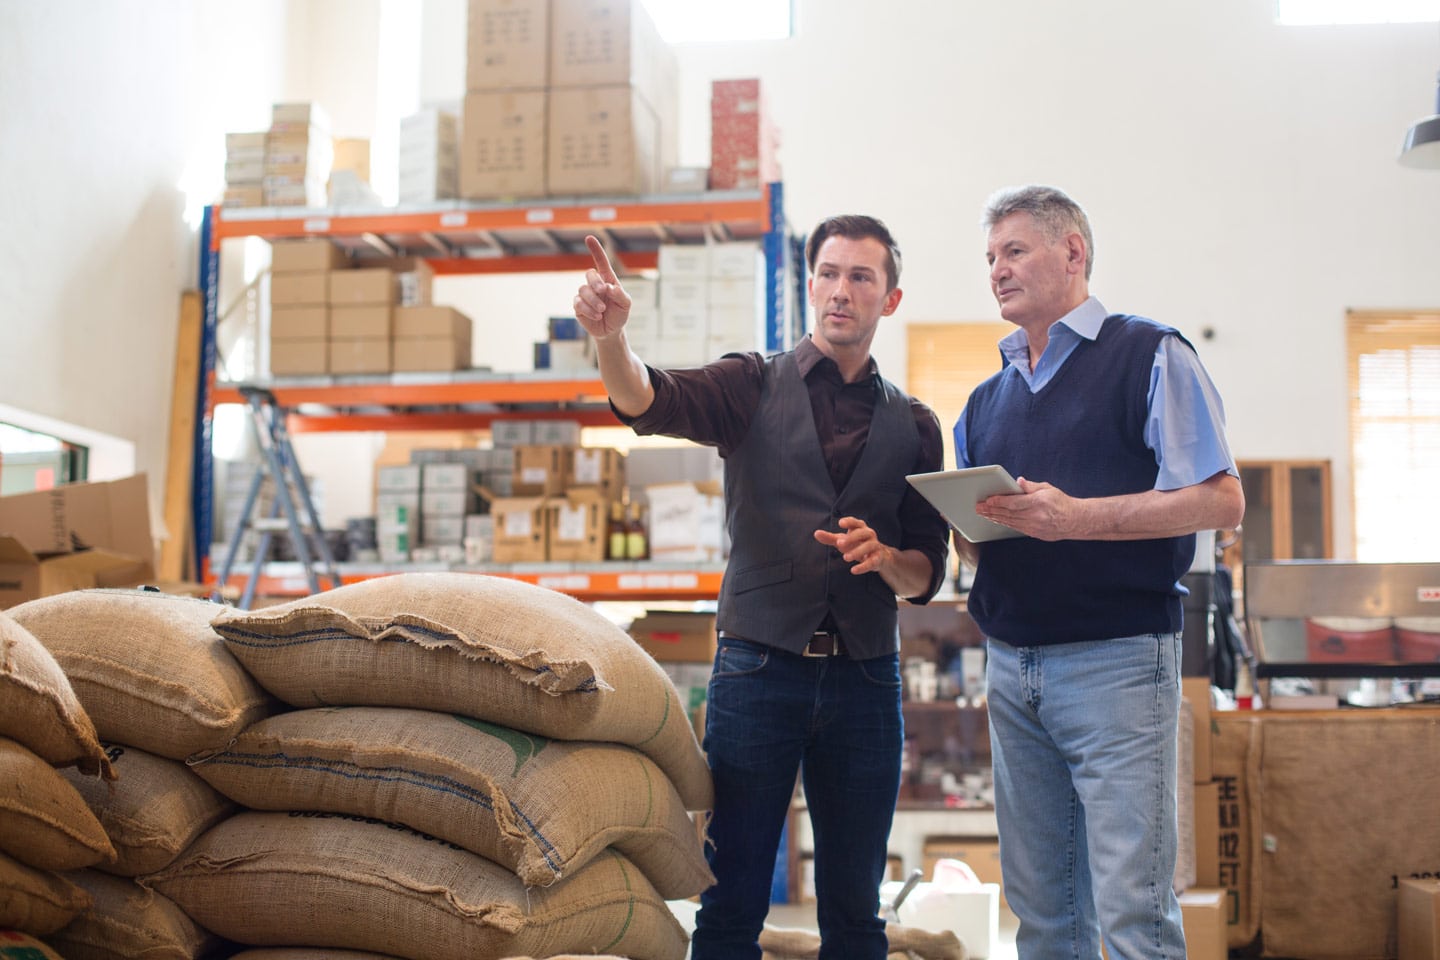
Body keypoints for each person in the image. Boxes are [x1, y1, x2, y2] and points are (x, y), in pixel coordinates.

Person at [572, 216, 949, 959]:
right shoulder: (751, 383)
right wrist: (612, 341)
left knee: (855, 913)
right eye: (830, 273)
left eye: (861, 277)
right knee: (730, 901)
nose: (842, 291)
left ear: (890, 298)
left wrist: (887, 560)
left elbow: (929, 571)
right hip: (758, 670)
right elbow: (651, 399)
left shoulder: (917, 424)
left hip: (865, 679)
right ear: (810, 285)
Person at [953, 185, 1244, 960]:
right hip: (1012, 669)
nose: (997, 271)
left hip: (1117, 664)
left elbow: (1221, 499)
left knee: (1132, 916)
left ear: (1073, 252)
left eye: (1014, 251)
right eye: (989, 257)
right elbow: (983, 541)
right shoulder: (985, 400)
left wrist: (1074, 518)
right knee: (1044, 915)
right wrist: (970, 534)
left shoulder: (1149, 354)